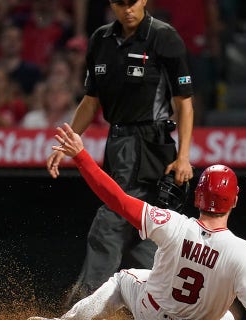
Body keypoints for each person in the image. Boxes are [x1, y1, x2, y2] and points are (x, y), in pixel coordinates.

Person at [28, 124, 246, 320]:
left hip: (153, 313)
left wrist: (82, 156)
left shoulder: (173, 224)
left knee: (123, 279)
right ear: (234, 201)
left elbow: (117, 199)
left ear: (198, 198)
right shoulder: (242, 252)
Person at [45, 0, 195, 307]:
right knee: (146, 234)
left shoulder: (163, 37)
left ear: (144, 1)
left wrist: (184, 157)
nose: (127, 9)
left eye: (132, 1)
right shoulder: (100, 39)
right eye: (120, 2)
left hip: (149, 140)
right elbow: (90, 100)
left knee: (110, 223)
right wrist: (67, 142)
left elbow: (184, 102)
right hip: (118, 141)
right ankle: (158, 305)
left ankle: (84, 303)